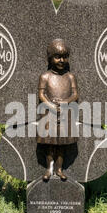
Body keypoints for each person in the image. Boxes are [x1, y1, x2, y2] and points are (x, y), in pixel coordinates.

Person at [37, 39, 78, 181]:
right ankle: (49, 169)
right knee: (49, 143)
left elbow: (75, 94)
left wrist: (65, 102)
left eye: (65, 57)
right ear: (50, 58)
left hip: (65, 114)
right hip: (49, 114)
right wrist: (51, 105)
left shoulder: (70, 76)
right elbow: (41, 94)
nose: (61, 60)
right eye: (57, 57)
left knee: (62, 144)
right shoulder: (45, 76)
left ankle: (59, 169)